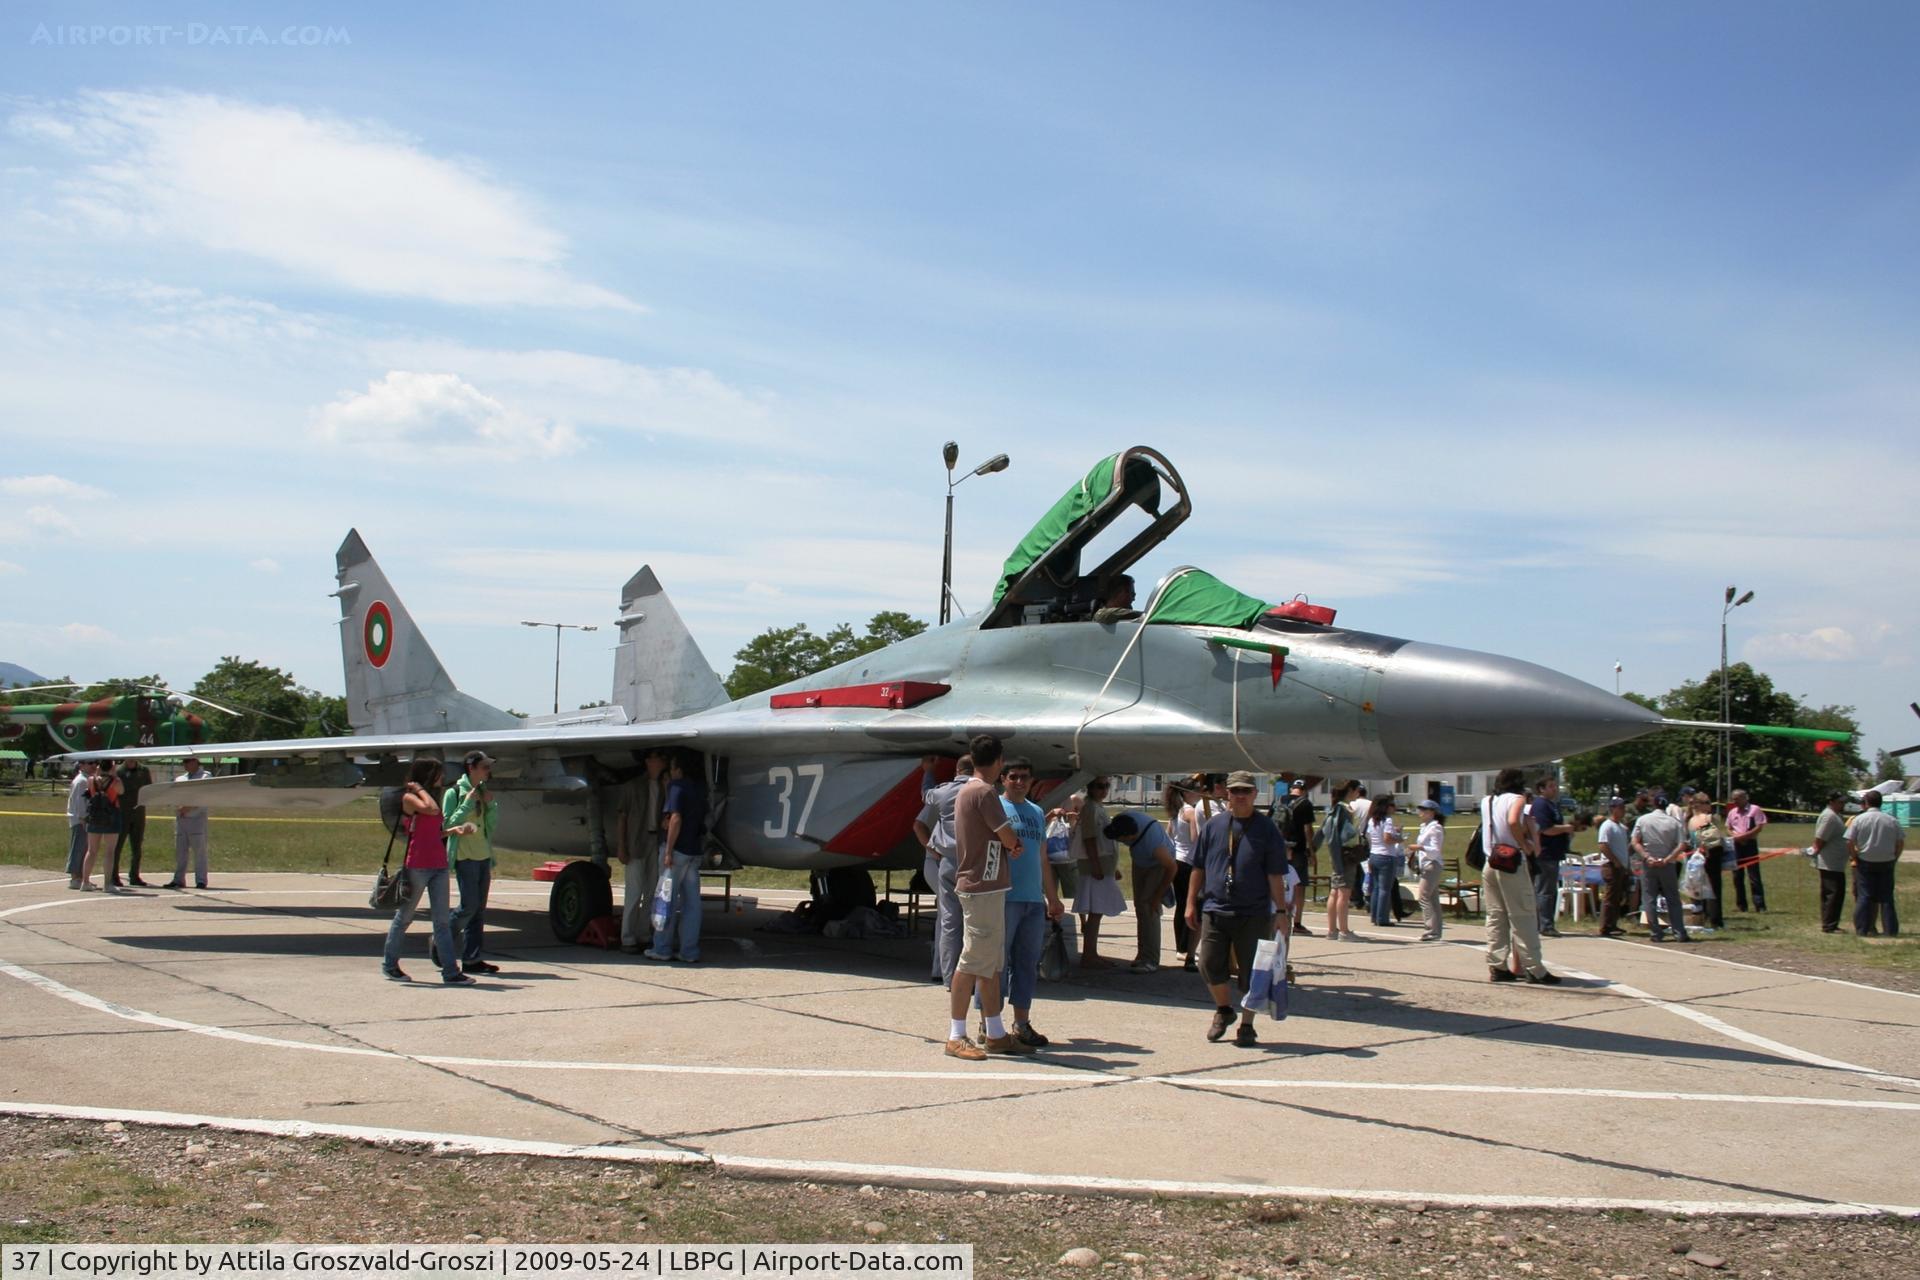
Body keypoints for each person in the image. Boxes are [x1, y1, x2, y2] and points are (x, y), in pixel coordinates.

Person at [1185, 771, 1293, 1047]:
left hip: (1253, 912)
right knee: (1207, 963)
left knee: (1252, 972)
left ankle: (1247, 1025)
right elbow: (1198, 866)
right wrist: (1190, 903)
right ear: (1226, 794)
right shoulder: (1214, 825)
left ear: (1255, 794)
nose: (1240, 796)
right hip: (1215, 907)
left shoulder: (1267, 829)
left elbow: (1275, 874)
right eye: (1235, 791)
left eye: (1246, 791)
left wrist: (1281, 912)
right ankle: (1224, 1010)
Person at [943, 734, 1029, 1060]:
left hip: (988, 885)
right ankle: (956, 1035)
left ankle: (995, 1033)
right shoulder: (982, 791)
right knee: (972, 962)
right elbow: (1005, 832)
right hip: (981, 886)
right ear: (999, 762)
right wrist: (1014, 845)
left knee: (991, 965)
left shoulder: (972, 790)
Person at [381, 758, 472, 985]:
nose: (443, 778)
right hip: (418, 865)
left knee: (441, 922)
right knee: (404, 917)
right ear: (428, 776)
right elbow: (430, 810)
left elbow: (432, 830)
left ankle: (450, 972)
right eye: (439, 774)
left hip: (438, 865)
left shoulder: (429, 797)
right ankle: (390, 964)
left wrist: (452, 831)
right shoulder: (410, 798)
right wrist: (419, 788)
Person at [996, 757, 1062, 1048]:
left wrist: (1052, 897)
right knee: (997, 963)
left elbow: (1042, 858)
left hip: (1032, 900)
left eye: (1025, 777)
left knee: (1026, 963)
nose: (1020, 782)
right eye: (1014, 777)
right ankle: (990, 1024)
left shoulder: (1036, 812)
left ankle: (1021, 1023)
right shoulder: (996, 808)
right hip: (1004, 897)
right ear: (1003, 779)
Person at [1482, 768, 1558, 983]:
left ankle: (1497, 965)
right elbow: (1514, 821)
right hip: (1512, 862)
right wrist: (1525, 843)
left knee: (1496, 916)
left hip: (1491, 861)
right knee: (1523, 915)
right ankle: (1534, 967)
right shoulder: (1517, 799)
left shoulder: (1487, 801)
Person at [914, 755, 972, 984]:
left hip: (944, 860)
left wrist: (928, 771)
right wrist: (932, 849)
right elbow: (918, 825)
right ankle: (942, 968)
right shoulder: (980, 792)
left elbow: (926, 793)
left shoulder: (943, 793)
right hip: (941, 861)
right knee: (953, 917)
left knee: (948, 918)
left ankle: (946, 973)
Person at [647, 750, 708, 963]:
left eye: (672, 767)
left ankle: (661, 948)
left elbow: (675, 819)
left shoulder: (676, 786)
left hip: (678, 851)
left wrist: (669, 851)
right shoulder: (700, 788)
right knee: (692, 904)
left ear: (678, 769)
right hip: (694, 852)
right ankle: (689, 951)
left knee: (666, 900)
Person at [443, 751, 500, 975]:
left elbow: (490, 826)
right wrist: (467, 804)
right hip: (465, 857)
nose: (488, 770)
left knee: (479, 911)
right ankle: (442, 939)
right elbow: (448, 824)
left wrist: (492, 805)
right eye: (484, 767)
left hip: (483, 856)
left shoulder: (484, 792)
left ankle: (472, 958)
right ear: (471, 768)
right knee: (468, 906)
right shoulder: (454, 792)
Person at [1106, 808, 1177, 972]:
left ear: (1131, 835)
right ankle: (1142, 953)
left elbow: (1172, 868)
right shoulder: (1120, 820)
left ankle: (1150, 960)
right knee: (1139, 906)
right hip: (1141, 861)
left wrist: (1157, 896)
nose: (1123, 843)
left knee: (1148, 907)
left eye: (1124, 840)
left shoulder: (1155, 845)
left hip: (1157, 865)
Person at [617, 751, 668, 954]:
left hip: (655, 841)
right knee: (634, 891)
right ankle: (627, 937)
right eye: (657, 758)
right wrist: (622, 846)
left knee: (651, 892)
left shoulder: (665, 786)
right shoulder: (633, 786)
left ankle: (644, 934)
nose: (661, 762)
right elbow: (622, 817)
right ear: (648, 761)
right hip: (636, 842)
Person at [1071, 776, 1126, 968]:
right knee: (1096, 911)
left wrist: (1113, 868)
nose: (1104, 790)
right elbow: (1089, 838)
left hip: (1104, 866)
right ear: (1090, 788)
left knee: (1098, 911)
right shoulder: (1090, 808)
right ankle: (1089, 954)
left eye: (1106, 786)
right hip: (1096, 868)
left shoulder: (1098, 807)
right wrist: (1095, 864)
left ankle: (1091, 952)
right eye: (1099, 786)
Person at [1631, 794, 1691, 944]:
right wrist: (1669, 858)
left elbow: (1635, 841)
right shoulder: (1674, 823)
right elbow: (1682, 844)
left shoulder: (1643, 820)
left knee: (1649, 898)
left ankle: (1656, 932)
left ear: (1654, 805)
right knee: (1673, 898)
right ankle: (1679, 932)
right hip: (1667, 863)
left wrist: (1646, 856)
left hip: (1649, 862)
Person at [1847, 790, 1905, 937]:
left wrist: (1855, 856)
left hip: (1865, 860)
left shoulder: (1859, 820)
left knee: (1865, 896)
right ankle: (1890, 930)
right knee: (1886, 897)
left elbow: (1850, 840)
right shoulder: (1891, 820)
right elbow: (1900, 842)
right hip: (1886, 861)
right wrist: (1894, 858)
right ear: (1881, 803)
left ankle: (1862, 929)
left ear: (1866, 803)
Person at [1529, 776, 1573, 938]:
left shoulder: (1552, 805)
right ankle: (1545, 924)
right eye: (1551, 786)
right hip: (1545, 853)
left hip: (1554, 854)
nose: (1555, 789)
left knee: (1549, 890)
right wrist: (1566, 829)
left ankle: (1543, 923)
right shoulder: (1540, 805)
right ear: (1541, 789)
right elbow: (1545, 829)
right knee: (1545, 891)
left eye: (1555, 786)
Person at [1164, 778, 1201, 970]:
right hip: (1188, 862)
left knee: (1181, 905)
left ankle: (1181, 945)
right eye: (1196, 790)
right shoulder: (1190, 811)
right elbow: (1196, 838)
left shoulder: (1176, 811)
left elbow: (1169, 836)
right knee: (1191, 905)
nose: (1200, 792)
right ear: (1186, 793)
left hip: (1177, 860)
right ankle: (1187, 947)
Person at [1276, 779, 1317, 937]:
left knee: (1279, 881)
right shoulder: (1305, 803)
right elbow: (1307, 829)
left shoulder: (1279, 799)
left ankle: (1278, 913)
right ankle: (1297, 922)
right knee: (1299, 886)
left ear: (1291, 788)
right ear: (1304, 790)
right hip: (1297, 849)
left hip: (1279, 848)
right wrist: (1312, 852)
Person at [1322, 780, 1361, 942]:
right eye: (1357, 789)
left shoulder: (1333, 808)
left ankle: (1332, 930)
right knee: (1344, 893)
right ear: (1351, 790)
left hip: (1336, 854)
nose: (1358, 792)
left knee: (1335, 891)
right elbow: (1347, 835)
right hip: (1346, 855)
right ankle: (1344, 931)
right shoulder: (1345, 809)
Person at [166, 755, 212, 889]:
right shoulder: (181, 778)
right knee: (180, 852)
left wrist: (188, 807)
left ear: (196, 761)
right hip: (181, 818)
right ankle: (178, 879)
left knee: (199, 851)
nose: (185, 764)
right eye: (183, 761)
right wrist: (179, 808)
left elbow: (203, 797)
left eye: (187, 761)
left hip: (197, 818)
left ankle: (201, 880)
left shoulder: (205, 777)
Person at [109, 758, 154, 888]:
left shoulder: (144, 770)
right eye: (128, 759)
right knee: (117, 846)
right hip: (122, 812)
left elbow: (149, 788)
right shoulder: (118, 771)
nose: (131, 761)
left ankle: (134, 875)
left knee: (137, 846)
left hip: (138, 812)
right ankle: (113, 875)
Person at [1810, 791, 1850, 933]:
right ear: (1831, 801)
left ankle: (1830, 923)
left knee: (1835, 893)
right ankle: (1829, 925)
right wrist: (1816, 851)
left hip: (1836, 862)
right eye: (1840, 802)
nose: (1843, 804)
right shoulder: (1829, 817)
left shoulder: (1835, 816)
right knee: (1833, 894)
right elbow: (1820, 838)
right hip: (1830, 862)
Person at [78, 765, 123, 891]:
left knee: (91, 850)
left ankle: (85, 881)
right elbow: (121, 791)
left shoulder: (91, 780)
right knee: (109, 851)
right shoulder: (116, 781)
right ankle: (107, 884)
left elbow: (89, 791)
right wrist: (114, 776)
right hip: (111, 816)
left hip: (94, 816)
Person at [1594, 797, 1635, 937]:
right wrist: (1615, 860)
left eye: (1623, 807)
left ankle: (1613, 923)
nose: (1623, 810)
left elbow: (1624, 848)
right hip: (1611, 866)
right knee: (1610, 897)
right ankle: (1605, 926)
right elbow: (1603, 845)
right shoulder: (1607, 825)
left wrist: (1626, 865)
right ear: (1612, 809)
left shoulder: (1622, 827)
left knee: (1618, 897)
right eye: (1620, 808)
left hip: (1621, 866)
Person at [1684, 792, 1724, 929]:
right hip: (1710, 854)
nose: (1710, 805)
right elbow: (1714, 837)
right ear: (1698, 804)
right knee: (1714, 887)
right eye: (1707, 802)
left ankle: (1705, 915)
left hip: (1696, 856)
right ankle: (1715, 920)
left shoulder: (1690, 820)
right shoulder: (1709, 818)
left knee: (1701, 887)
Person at [1725, 790, 1769, 912]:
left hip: (1750, 845)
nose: (1735, 801)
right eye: (1733, 799)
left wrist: (1744, 837)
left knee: (1754, 876)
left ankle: (1759, 905)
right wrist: (1735, 836)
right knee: (1737, 876)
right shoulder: (1732, 812)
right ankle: (1741, 905)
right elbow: (1728, 827)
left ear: (1745, 798)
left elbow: (1759, 827)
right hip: (1736, 845)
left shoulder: (1755, 809)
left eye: (1737, 799)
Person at [1363, 795, 1403, 927]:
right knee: (1385, 889)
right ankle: (1382, 918)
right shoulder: (1387, 820)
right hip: (1386, 856)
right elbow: (1387, 839)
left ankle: (1374, 916)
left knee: (1375, 888)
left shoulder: (1372, 820)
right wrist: (1398, 839)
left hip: (1374, 854)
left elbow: (1370, 837)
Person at [1409, 798, 1445, 941]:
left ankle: (1430, 929)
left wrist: (1420, 847)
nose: (1421, 812)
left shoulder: (1436, 828)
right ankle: (1436, 931)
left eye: (1424, 810)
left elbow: (1436, 850)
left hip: (1432, 864)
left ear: (1432, 812)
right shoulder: (1425, 827)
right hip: (1426, 864)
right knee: (1432, 898)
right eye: (1421, 809)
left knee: (1423, 897)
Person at [65, 761, 96, 890]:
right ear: (82, 765)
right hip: (79, 820)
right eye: (90, 763)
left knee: (84, 849)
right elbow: (79, 803)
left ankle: (81, 876)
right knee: (78, 848)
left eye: (95, 763)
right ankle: (74, 878)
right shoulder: (81, 781)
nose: (93, 766)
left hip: (84, 819)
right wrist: (83, 818)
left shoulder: (87, 780)